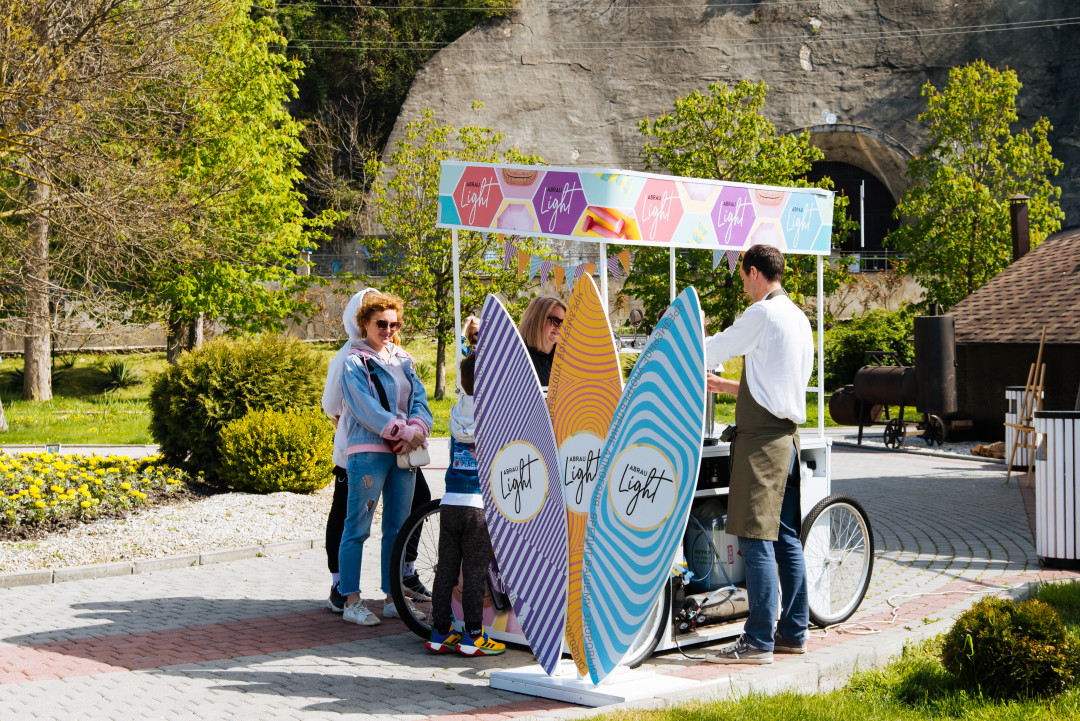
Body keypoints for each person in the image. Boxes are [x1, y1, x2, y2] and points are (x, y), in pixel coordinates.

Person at [701, 244, 814, 664]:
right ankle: (793, 633)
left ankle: (758, 641)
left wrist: (672, 345)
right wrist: (729, 387)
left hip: (762, 445)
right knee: (786, 539)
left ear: (752, 272)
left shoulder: (762, 313)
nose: (744, 286)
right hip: (788, 441)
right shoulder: (798, 317)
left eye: (743, 278)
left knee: (754, 538)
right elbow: (778, 383)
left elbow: (713, 349)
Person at [321, 289, 432, 613]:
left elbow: (419, 400)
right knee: (357, 528)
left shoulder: (403, 359)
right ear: (365, 324)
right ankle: (351, 599)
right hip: (368, 452)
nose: (388, 330)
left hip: (402, 455)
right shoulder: (353, 361)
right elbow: (363, 406)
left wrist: (418, 428)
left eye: (394, 324)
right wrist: (402, 431)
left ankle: (393, 598)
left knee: (397, 528)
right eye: (381, 323)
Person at [425, 351, 506, 656]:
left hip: (450, 502)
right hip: (479, 505)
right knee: (474, 572)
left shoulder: (457, 411)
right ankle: (473, 636)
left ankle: (440, 631)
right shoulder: (494, 414)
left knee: (446, 570)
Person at [517, 296, 567, 386]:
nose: (560, 327)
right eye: (555, 321)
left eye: (564, 322)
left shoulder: (569, 359)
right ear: (537, 321)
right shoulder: (518, 359)